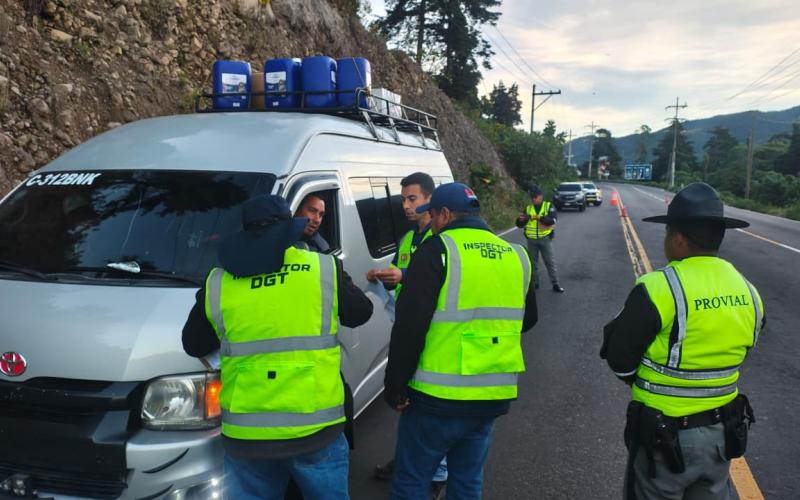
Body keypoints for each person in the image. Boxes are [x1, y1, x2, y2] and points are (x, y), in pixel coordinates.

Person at [182, 194, 373, 500]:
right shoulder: (324, 269)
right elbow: (361, 312)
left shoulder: (218, 282)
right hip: (316, 430)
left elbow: (193, 343)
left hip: (247, 438)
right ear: (289, 229)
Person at [600, 182, 765, 500]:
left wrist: (652, 383)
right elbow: (745, 347)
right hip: (722, 435)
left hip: (664, 437)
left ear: (677, 239)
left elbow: (620, 358)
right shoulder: (749, 290)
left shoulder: (659, 286)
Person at [384, 182, 538, 499]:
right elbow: (529, 319)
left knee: (413, 480)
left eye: (434, 216)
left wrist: (396, 386)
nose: (432, 224)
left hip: (436, 398)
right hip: (491, 396)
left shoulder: (437, 249)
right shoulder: (516, 255)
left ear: (445, 213)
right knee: (467, 481)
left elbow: (410, 326)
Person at [366, 172, 447, 495]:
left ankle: (437, 473)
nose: (406, 205)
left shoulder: (439, 240)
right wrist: (382, 275)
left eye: (412, 198)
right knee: (406, 401)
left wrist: (405, 275)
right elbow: (399, 273)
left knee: (426, 405)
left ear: (430, 199)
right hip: (404, 324)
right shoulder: (408, 239)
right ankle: (405, 459)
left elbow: (439, 276)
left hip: (429, 331)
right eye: (403, 199)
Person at [516, 185, 564, 293]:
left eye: (535, 197)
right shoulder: (528, 209)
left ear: (541, 196)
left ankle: (555, 284)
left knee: (549, 262)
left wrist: (539, 218)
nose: (533, 199)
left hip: (544, 239)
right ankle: (535, 284)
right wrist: (520, 219)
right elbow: (519, 225)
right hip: (531, 240)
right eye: (532, 197)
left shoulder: (548, 206)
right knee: (532, 263)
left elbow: (552, 220)